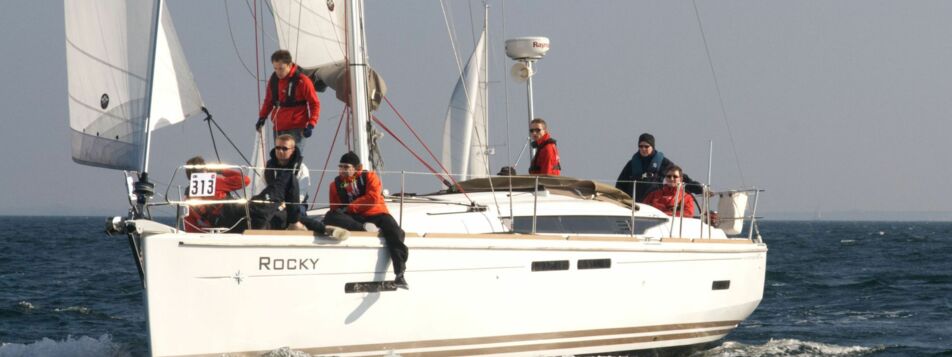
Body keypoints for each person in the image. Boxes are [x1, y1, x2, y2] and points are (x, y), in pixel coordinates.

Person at [324, 152, 409, 289]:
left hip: (376, 213)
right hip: (355, 218)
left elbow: (373, 198)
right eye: (340, 167)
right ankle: (363, 228)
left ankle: (400, 273)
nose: (342, 170)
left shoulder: (369, 177)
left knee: (395, 231)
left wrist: (350, 207)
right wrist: (342, 213)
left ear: (357, 168)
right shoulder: (335, 185)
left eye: (346, 167)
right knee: (330, 216)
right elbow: (335, 207)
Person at [250, 135, 341, 239]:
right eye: (277, 148)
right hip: (273, 203)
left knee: (293, 215)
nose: (280, 151)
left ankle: (323, 229)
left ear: (292, 150)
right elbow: (262, 189)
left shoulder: (302, 169)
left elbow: (300, 195)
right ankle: (323, 228)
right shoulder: (268, 168)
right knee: (267, 215)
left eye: (284, 148)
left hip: (295, 204)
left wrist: (282, 206)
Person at [256, 50, 321, 149]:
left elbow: (314, 104)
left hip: (297, 128)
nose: (278, 72)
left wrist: (311, 124)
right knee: (279, 159)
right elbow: (268, 101)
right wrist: (262, 117)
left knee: (293, 159)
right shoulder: (273, 80)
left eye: (281, 68)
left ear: (289, 65)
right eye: (275, 68)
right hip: (279, 126)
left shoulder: (302, 81)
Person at [615, 133, 702, 202]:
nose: (643, 149)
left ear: (652, 147)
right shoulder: (632, 164)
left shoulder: (663, 163)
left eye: (646, 146)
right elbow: (620, 183)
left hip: (654, 204)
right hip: (634, 205)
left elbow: (680, 177)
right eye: (640, 146)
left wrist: (700, 190)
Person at [183, 156, 250, 233]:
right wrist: (221, 170)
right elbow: (246, 180)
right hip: (235, 223)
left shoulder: (188, 197)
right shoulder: (216, 182)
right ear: (205, 170)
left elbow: (190, 227)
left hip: (215, 229)